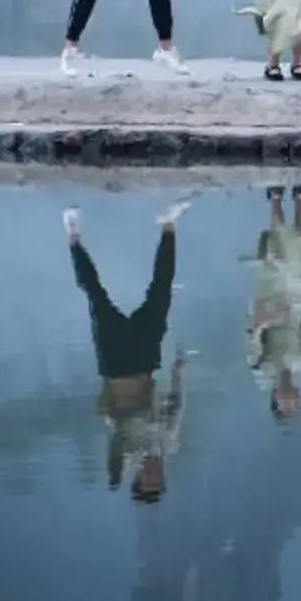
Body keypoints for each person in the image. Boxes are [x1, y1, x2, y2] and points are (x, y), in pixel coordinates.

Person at [64, 200, 190, 501]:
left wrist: (115, 473)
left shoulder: (128, 453)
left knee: (96, 295)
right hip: (146, 360)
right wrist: (179, 372)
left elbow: (115, 433)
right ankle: (169, 225)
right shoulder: (168, 443)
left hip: (116, 364)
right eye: (156, 480)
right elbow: (178, 405)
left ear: (138, 478)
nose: (151, 474)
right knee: (161, 292)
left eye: (146, 480)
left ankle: (73, 235)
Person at [244, 183, 301, 422]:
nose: (290, 398)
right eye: (294, 403)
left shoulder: (263, 371)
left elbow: (253, 337)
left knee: (280, 247)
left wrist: (264, 322)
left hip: (271, 298)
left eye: (286, 404)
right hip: (296, 300)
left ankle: (275, 198)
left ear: (276, 400)